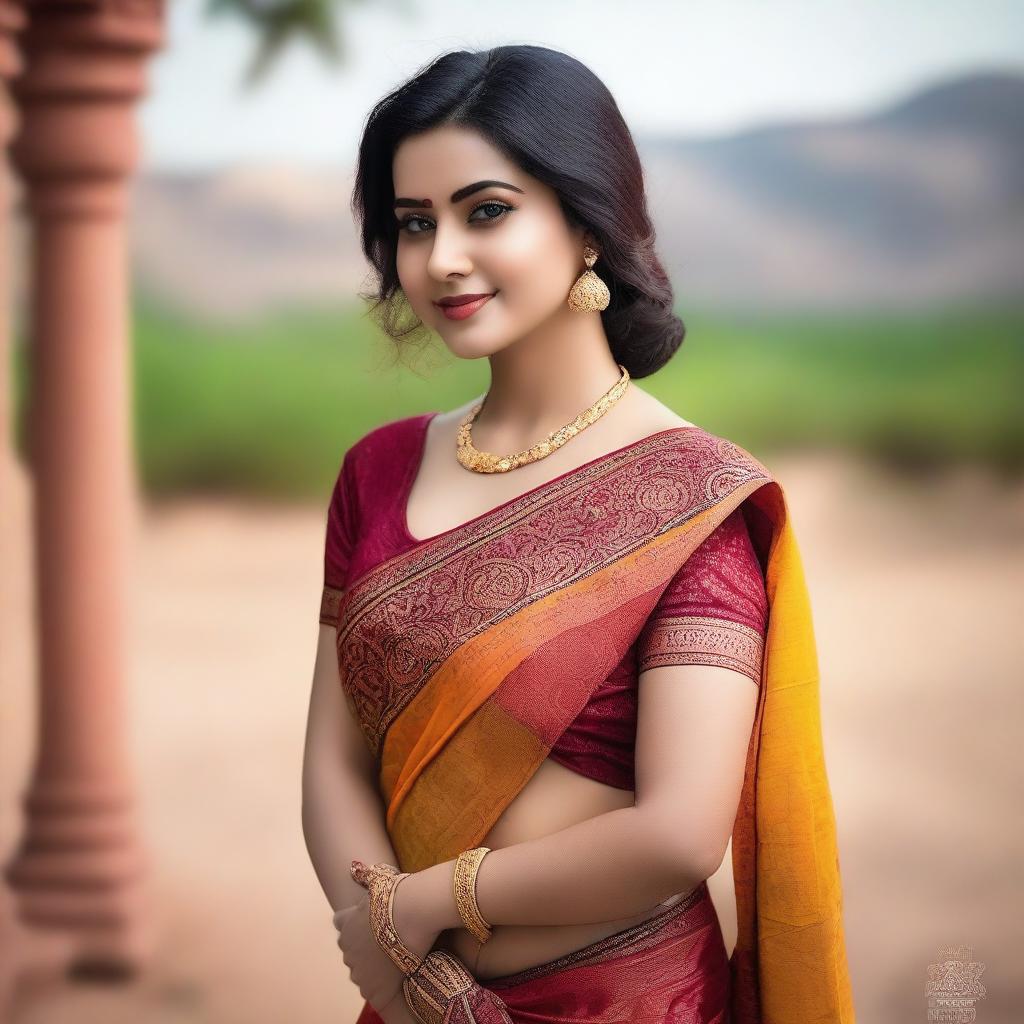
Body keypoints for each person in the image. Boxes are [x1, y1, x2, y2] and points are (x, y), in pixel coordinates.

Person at [302, 44, 855, 1024]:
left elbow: (680, 832)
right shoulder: (376, 471)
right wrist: (396, 968)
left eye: (486, 211)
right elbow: (334, 765)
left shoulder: (689, 498)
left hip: (632, 1002)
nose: (441, 260)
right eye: (413, 223)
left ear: (586, 220)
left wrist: (429, 902)